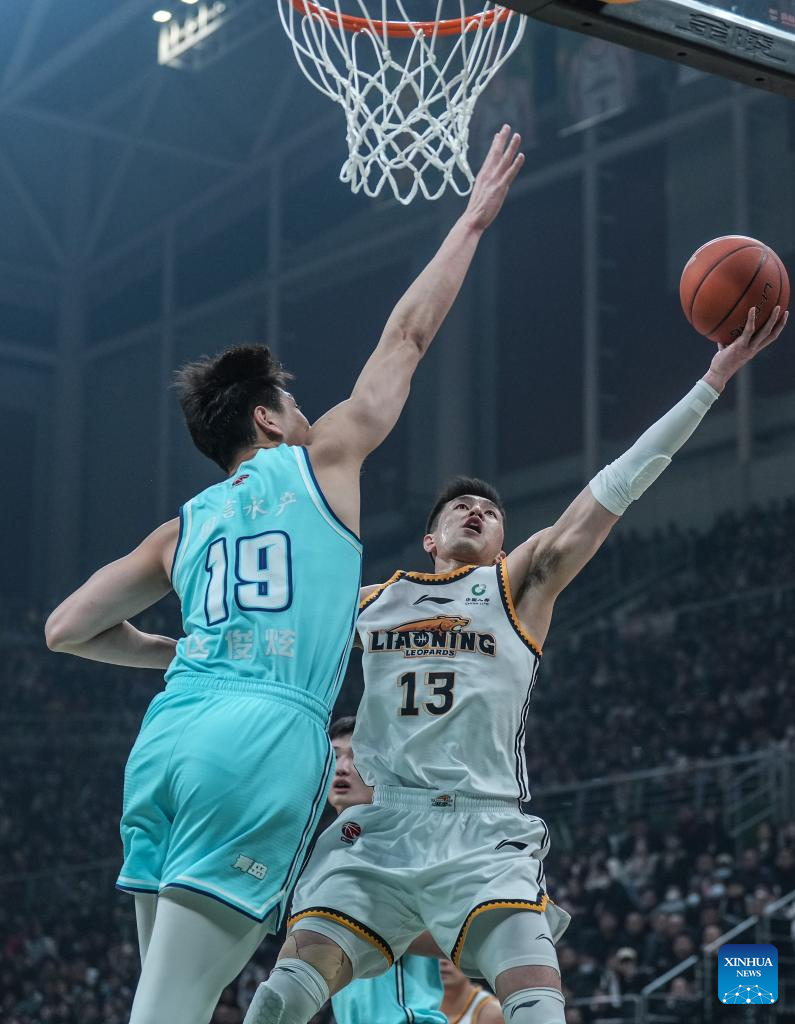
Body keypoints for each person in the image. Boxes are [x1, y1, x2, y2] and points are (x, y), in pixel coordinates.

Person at [43, 125, 526, 1024]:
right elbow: (408, 335)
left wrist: (172, 654)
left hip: (167, 743)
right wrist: (469, 222)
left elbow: (65, 628)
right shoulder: (323, 461)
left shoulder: (179, 529)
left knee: (176, 1000)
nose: (310, 413)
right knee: (169, 1012)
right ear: (268, 420)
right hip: (257, 741)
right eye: (295, 403)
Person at [244, 302, 788, 1024]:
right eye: (460, 508)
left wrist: (711, 383)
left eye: (489, 512)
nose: (475, 511)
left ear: (502, 541)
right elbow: (273, 631)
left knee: (537, 1009)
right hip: (381, 831)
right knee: (281, 995)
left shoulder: (516, 587)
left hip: (483, 833)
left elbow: (616, 487)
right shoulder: (374, 601)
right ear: (431, 539)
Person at [326, 716, 447, 1024]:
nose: (341, 767)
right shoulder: (332, 852)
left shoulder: (403, 843)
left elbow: (453, 936)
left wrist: (358, 919)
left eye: (357, 757)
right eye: (334, 755)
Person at [439, 959, 502, 1024]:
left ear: (469, 963)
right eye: (435, 956)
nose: (442, 961)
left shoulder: (494, 1014)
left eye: (448, 955)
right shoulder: (429, 1007)